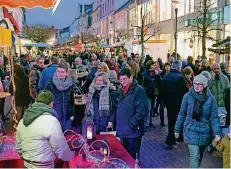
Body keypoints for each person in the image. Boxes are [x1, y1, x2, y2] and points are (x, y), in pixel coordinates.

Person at [16, 90, 75, 168]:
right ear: (51, 103)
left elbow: (18, 147)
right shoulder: (51, 121)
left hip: (27, 165)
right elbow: (61, 149)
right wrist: (71, 155)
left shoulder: (22, 120)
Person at [174, 74, 221, 168]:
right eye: (194, 83)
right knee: (194, 156)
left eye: (199, 84)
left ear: (204, 85)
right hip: (191, 129)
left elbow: (214, 117)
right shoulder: (187, 96)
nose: (196, 86)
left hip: (205, 131)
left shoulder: (211, 99)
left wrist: (217, 133)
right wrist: (177, 129)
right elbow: (182, 113)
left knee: (199, 156)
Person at [115, 68, 149, 159]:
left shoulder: (139, 90)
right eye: (121, 79)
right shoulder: (121, 90)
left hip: (133, 132)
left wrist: (132, 124)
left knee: (132, 158)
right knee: (125, 157)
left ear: (131, 78)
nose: (122, 82)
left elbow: (142, 110)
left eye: (125, 79)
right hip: (124, 131)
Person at [162, 60, 188, 149]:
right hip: (177, 103)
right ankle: (170, 140)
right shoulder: (180, 77)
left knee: (171, 121)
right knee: (176, 122)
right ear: (179, 67)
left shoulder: (165, 76)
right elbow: (185, 91)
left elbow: (163, 90)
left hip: (168, 103)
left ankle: (173, 138)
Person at [45, 62, 75, 131]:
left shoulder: (70, 85)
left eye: (62, 72)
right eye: (58, 71)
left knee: (67, 140)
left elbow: (72, 101)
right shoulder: (50, 84)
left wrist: (72, 117)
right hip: (54, 119)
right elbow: (45, 102)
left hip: (67, 119)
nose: (60, 73)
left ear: (66, 73)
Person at [140, 60, 158, 131]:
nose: (154, 66)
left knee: (151, 109)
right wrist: (146, 90)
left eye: (154, 65)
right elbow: (142, 84)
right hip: (147, 94)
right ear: (149, 66)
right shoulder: (144, 74)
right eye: (153, 65)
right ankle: (146, 125)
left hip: (154, 94)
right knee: (148, 109)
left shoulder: (155, 73)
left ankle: (150, 122)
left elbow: (158, 82)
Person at [210, 63, 229, 128]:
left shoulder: (225, 78)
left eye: (218, 68)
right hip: (213, 106)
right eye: (215, 69)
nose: (217, 70)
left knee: (223, 125)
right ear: (212, 70)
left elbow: (228, 91)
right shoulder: (210, 78)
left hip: (223, 106)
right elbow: (207, 90)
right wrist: (211, 79)